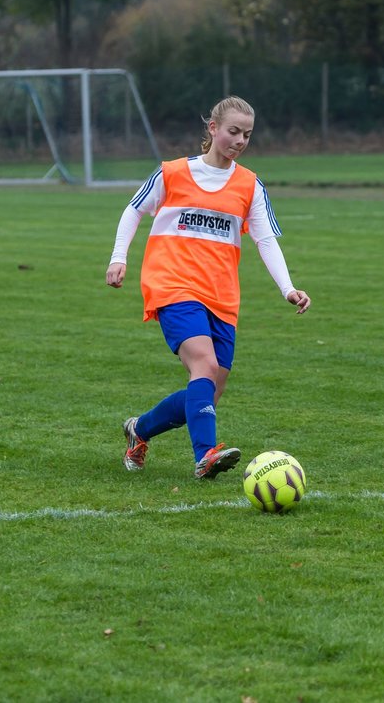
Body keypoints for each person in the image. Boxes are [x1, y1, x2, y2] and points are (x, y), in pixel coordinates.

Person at [105, 96, 311, 480]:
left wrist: (288, 288)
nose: (240, 140)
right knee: (204, 363)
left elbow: (265, 240)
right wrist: (120, 257)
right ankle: (206, 456)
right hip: (172, 284)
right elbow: (133, 209)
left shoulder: (250, 185)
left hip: (221, 295)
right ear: (213, 129)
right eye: (233, 131)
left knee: (209, 392)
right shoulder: (173, 173)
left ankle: (140, 430)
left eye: (247, 134)